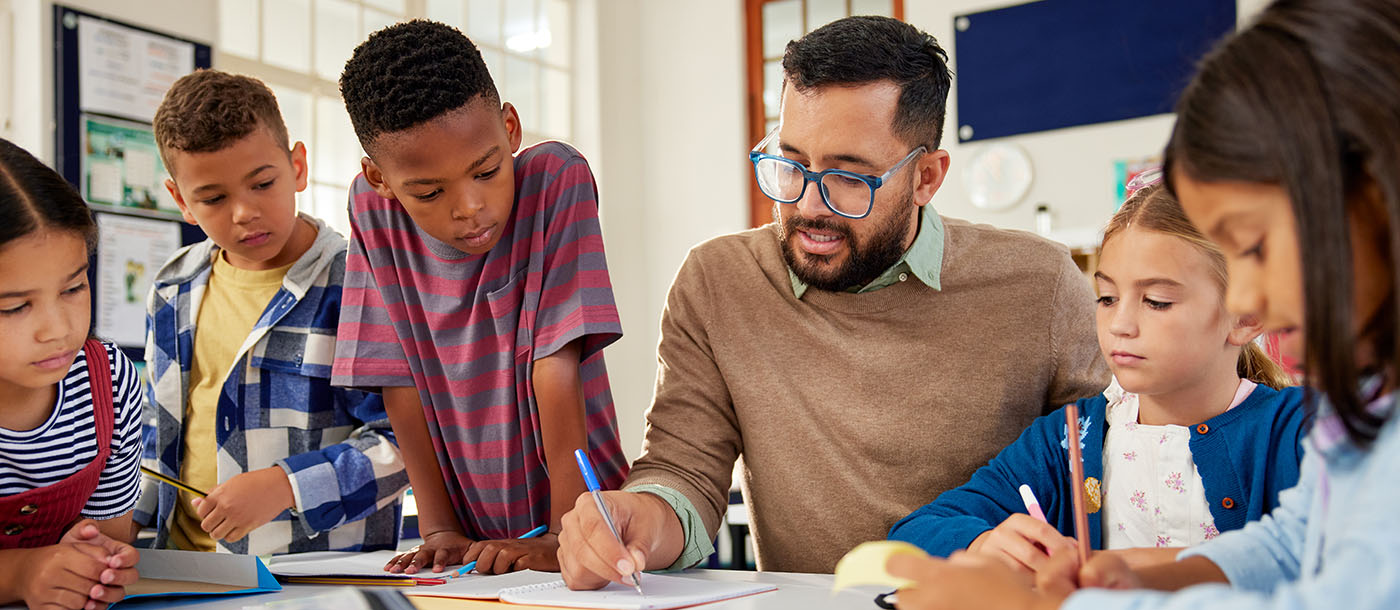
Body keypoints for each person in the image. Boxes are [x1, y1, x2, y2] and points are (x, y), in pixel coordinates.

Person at [556, 15, 1109, 587]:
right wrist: (636, 519)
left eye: (850, 177)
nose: (808, 206)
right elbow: (683, 470)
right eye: (791, 163)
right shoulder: (718, 282)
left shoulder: (1040, 285)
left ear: (926, 178)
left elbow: (1116, 467)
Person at [886, 0, 1400, 607]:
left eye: (1257, 246)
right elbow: (1295, 541)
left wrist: (1059, 604)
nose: (1252, 297)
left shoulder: (1296, 422)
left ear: (1376, 195)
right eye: (1105, 297)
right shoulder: (1365, 404)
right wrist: (1139, 579)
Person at [888, 182, 1306, 576]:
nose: (1119, 324)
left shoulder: (1303, 431)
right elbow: (915, 533)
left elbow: (1331, 555)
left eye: (1157, 302)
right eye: (1106, 298)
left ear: (1247, 316)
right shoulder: (1069, 439)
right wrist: (980, 544)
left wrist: (1136, 569)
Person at [332, 20, 629, 575]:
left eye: (487, 171)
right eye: (428, 192)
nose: (469, 206)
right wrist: (439, 526)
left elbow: (555, 363)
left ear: (510, 128)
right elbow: (398, 379)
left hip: (594, 523)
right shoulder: (373, 214)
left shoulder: (553, 180)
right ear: (379, 179)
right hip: (475, 546)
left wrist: (569, 532)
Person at [134, 69, 407, 555]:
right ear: (181, 201)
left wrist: (286, 486)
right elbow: (156, 434)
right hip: (178, 569)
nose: (243, 212)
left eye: (262, 183)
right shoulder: (171, 287)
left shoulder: (359, 282)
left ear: (298, 166)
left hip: (307, 578)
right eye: (213, 198)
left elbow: (405, 446)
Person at [0, 137, 141, 609]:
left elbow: (108, 540)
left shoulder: (109, 382)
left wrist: (97, 567)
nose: (58, 330)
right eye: (16, 306)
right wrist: (20, 575)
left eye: (74, 287)